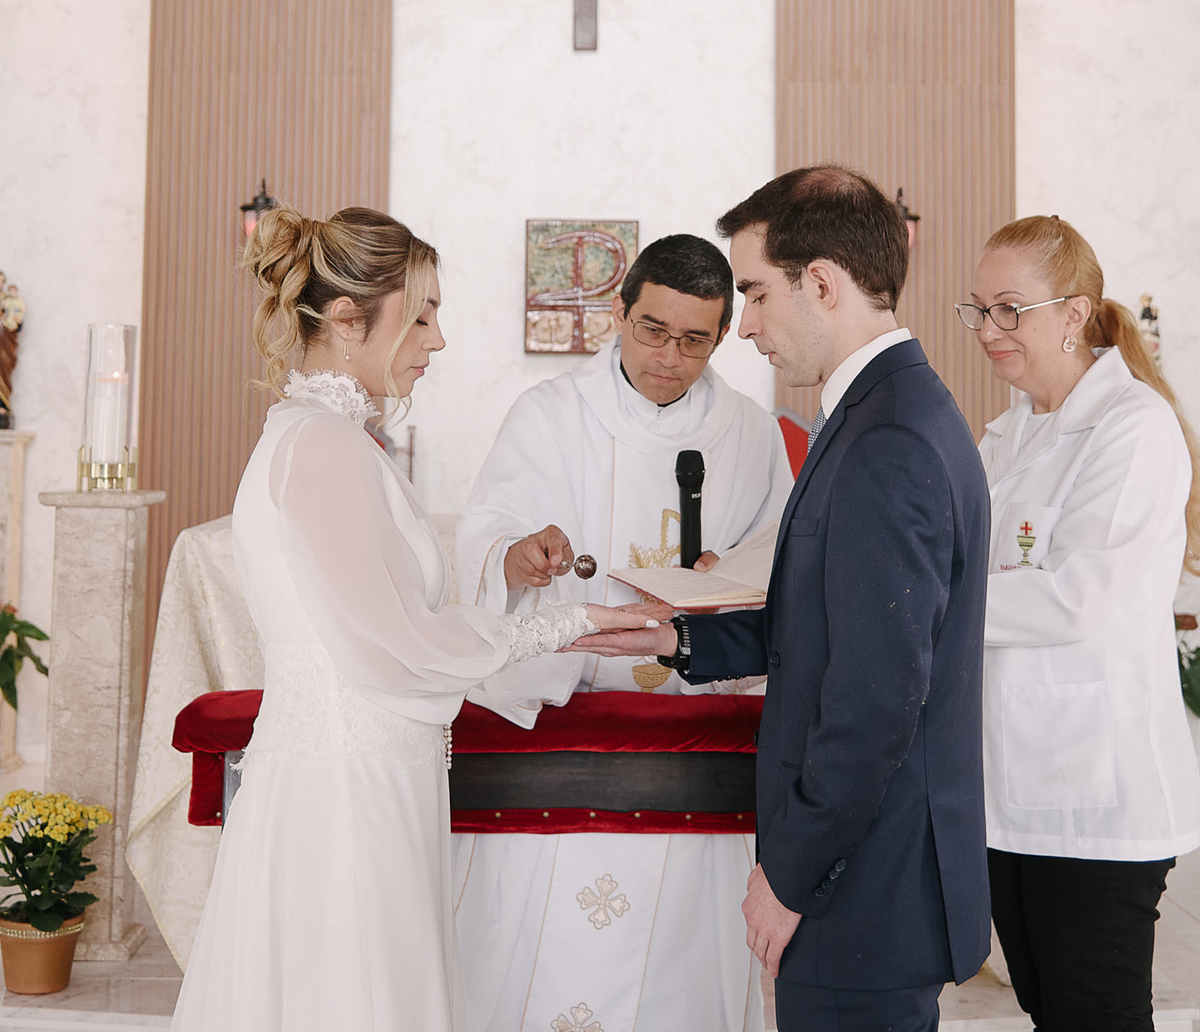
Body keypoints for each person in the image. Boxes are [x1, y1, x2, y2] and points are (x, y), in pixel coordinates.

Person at [169, 206, 655, 1032]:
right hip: (346, 799)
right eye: (422, 315)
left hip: (372, 776)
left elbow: (384, 614)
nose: (438, 341)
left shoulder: (331, 438)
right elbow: (398, 647)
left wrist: (504, 575)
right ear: (350, 320)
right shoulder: (322, 444)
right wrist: (569, 622)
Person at [577, 165, 993, 1032]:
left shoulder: (887, 440)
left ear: (824, 284)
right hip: (863, 879)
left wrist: (790, 874)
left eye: (757, 294)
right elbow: (831, 628)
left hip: (858, 890)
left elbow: (876, 699)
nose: (748, 327)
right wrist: (678, 644)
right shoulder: (884, 413)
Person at [453, 233, 794, 1032]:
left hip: (692, 734)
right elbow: (486, 531)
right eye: (652, 330)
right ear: (618, 312)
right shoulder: (549, 415)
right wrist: (517, 557)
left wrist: (728, 573)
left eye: (694, 340)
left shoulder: (749, 433)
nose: (670, 357)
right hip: (566, 727)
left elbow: (783, 554)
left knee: (680, 977)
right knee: (539, 962)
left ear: (720, 334)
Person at [957, 214, 1200, 1032]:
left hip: (1097, 791)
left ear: (1074, 312)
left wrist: (927, 601)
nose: (989, 330)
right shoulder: (1009, 433)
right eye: (979, 309)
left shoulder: (1132, 428)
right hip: (1014, 786)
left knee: (1095, 1014)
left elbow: (1075, 596)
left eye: (1009, 309)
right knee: (1048, 1008)